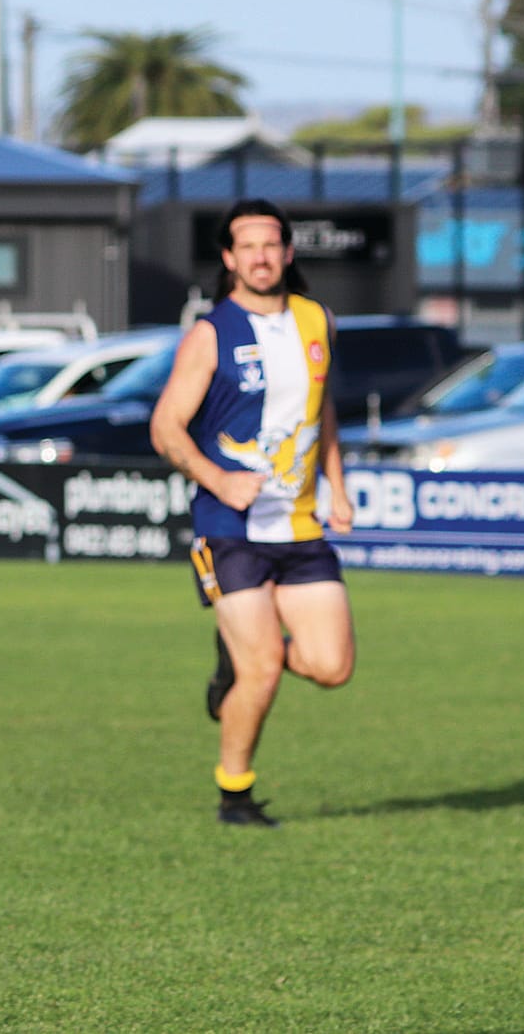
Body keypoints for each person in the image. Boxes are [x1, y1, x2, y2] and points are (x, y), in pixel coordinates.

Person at [150, 198, 355, 829]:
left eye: (272, 245)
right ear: (229, 259)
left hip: (299, 526)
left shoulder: (316, 320)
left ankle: (233, 655)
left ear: (288, 253)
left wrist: (337, 486)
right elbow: (165, 428)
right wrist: (219, 480)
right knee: (263, 667)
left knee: (331, 668)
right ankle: (234, 794)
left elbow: (321, 412)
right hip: (229, 528)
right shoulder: (211, 333)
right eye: (248, 247)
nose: (261, 256)